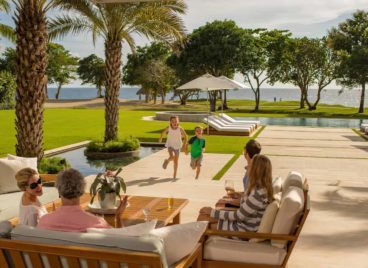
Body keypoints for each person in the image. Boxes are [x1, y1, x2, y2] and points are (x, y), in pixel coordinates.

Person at [198, 154, 274, 232]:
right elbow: (246, 208)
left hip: (244, 230)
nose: (246, 167)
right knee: (203, 215)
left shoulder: (258, 195)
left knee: (202, 219)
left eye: (249, 165)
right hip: (242, 223)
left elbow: (238, 216)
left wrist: (212, 211)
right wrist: (241, 195)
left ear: (256, 170)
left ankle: (200, 243)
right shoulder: (258, 188)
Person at [38, 168, 128, 232]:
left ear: (58, 190)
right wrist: (118, 217)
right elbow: (120, 242)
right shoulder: (97, 224)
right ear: (81, 191)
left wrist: (54, 215)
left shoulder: (44, 222)